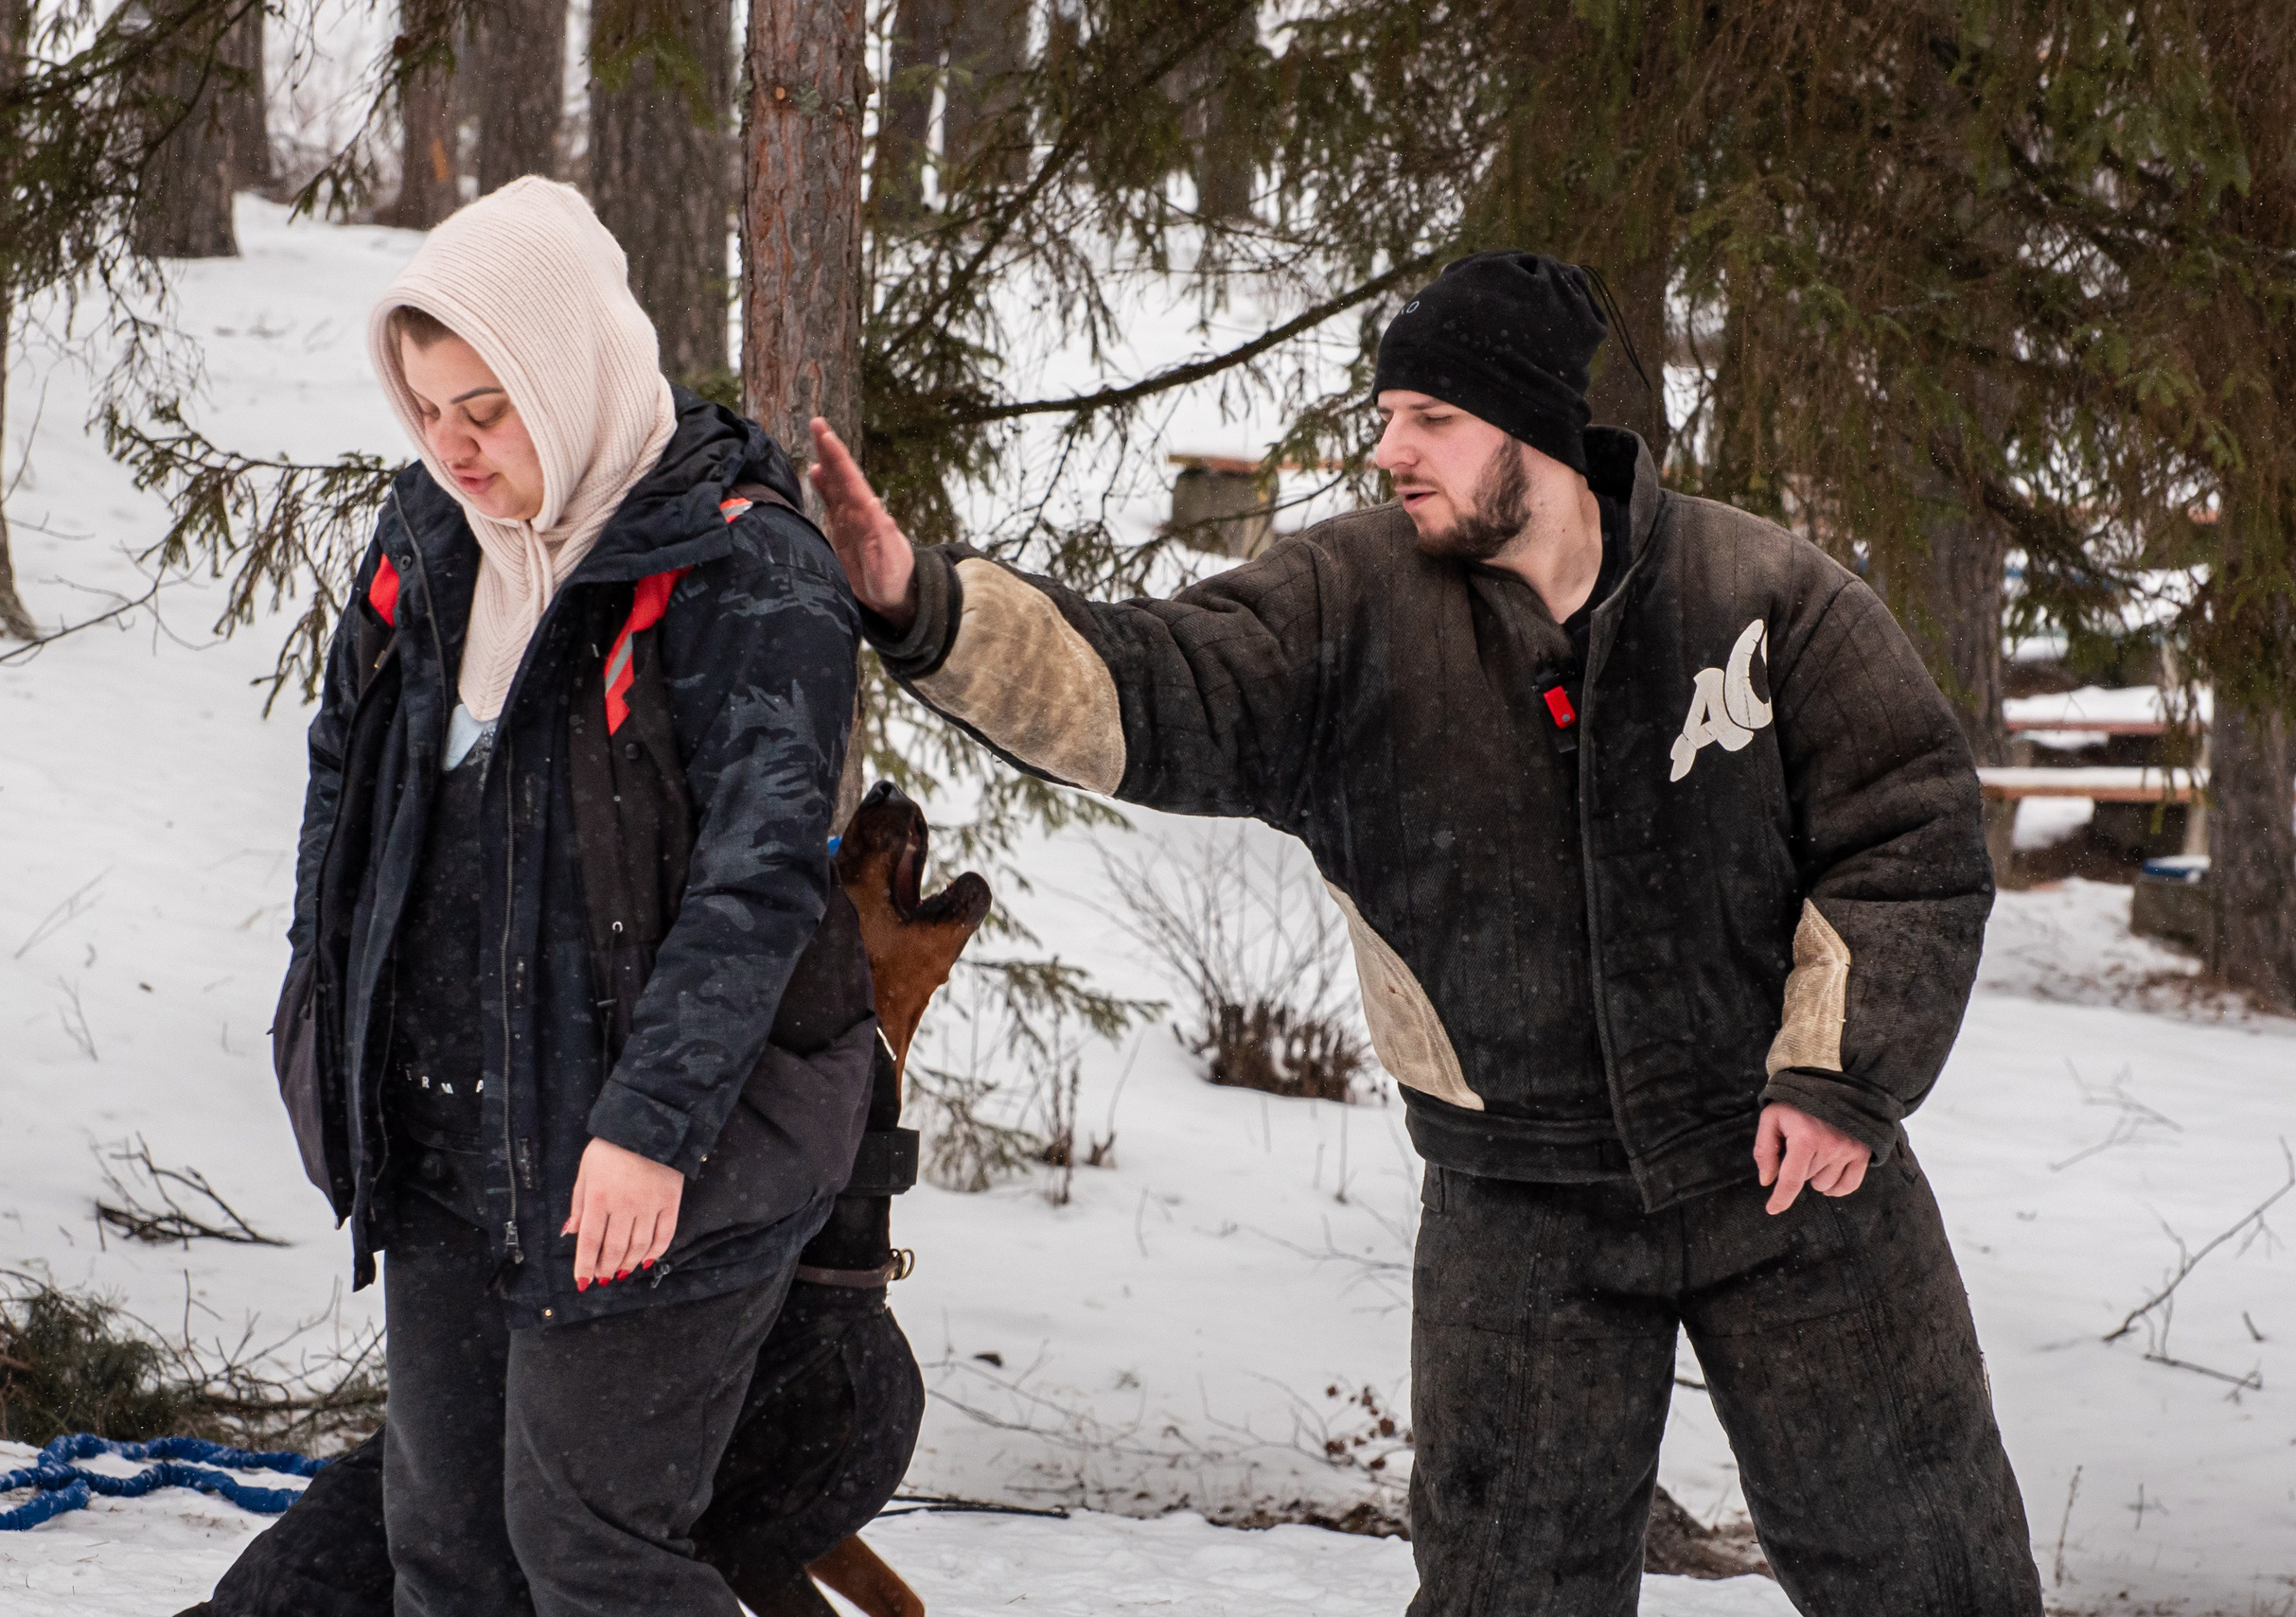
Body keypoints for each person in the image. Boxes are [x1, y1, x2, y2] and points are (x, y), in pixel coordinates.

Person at [807, 251, 2044, 1615]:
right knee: (1504, 1595)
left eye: (1433, 420)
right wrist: (922, 606)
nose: (1390, 449)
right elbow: (1149, 683)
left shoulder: (1759, 593)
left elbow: (1910, 830)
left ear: (1539, 433)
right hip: (1519, 1206)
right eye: (1388, 415)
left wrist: (1837, 1078)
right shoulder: (1350, 607)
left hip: (1791, 1167)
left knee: (1934, 1573)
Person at [275, 178, 869, 1617]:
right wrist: (320, 1017)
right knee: (448, 1549)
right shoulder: (426, 545)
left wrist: (652, 1127)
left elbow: (759, 877)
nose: (451, 446)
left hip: (659, 1154)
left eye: (487, 408)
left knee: (592, 1549)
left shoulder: (743, 564)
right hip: (445, 1136)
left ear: (571, 373)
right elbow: (343, 786)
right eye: (426, 409)